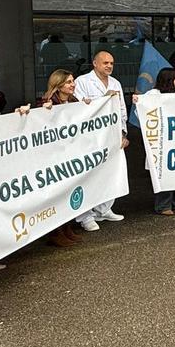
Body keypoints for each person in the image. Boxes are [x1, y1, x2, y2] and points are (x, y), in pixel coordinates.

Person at [73, 50, 129, 231]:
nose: (109, 66)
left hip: (112, 135)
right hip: (90, 137)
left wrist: (123, 133)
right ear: (95, 63)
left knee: (112, 172)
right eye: (105, 63)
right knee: (90, 176)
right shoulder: (82, 81)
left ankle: (104, 209)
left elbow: (121, 109)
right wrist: (104, 99)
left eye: (111, 63)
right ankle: (86, 216)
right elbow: (81, 108)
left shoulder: (116, 83)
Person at [38, 70, 84, 246]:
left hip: (70, 153)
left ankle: (67, 228)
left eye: (72, 81)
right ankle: (56, 232)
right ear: (58, 85)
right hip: (54, 156)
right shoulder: (47, 104)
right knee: (57, 194)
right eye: (68, 82)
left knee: (69, 191)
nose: (72, 85)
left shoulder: (73, 101)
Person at [142, 69, 175, 216]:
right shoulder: (152, 95)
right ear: (169, 80)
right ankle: (163, 205)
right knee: (163, 173)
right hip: (161, 142)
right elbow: (142, 112)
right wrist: (138, 102)